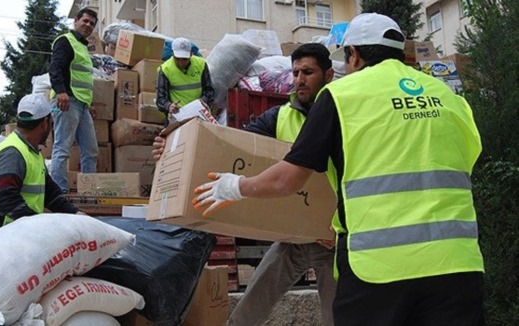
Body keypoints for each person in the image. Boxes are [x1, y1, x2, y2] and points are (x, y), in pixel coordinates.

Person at [193, 13, 484, 326]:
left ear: (354, 55)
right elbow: (465, 160)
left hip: (381, 266)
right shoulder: (450, 97)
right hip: (457, 264)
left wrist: (235, 186)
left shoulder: (343, 97)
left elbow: (287, 180)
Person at [152, 43, 337, 326]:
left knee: (337, 317)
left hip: (332, 238)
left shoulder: (344, 117)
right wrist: (173, 147)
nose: (299, 79)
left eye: (308, 72)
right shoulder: (280, 116)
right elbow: (231, 146)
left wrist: (340, 227)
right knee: (248, 311)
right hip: (293, 238)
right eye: (296, 72)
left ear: (329, 75)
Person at [0, 94, 85, 245]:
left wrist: (75, 213)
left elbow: (50, 193)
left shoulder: (31, 153)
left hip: (8, 237)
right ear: (44, 124)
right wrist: (39, 225)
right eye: (51, 122)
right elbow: (7, 198)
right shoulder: (13, 153)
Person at [49, 8, 99, 193]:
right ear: (75, 21)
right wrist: (60, 92)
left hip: (81, 104)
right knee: (62, 148)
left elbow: (81, 78)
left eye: (92, 24)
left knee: (91, 150)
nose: (88, 25)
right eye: (85, 21)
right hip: (67, 101)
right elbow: (55, 68)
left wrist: (89, 103)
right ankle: (59, 192)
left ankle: (89, 190)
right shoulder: (65, 41)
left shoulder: (83, 47)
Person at [156, 37, 215, 125]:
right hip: (177, 118)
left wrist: (204, 100)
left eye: (184, 59)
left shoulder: (201, 64)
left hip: (199, 116)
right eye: (177, 58)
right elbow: (160, 99)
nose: (181, 62)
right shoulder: (165, 69)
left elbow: (209, 90)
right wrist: (169, 106)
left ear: (191, 54)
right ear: (172, 54)